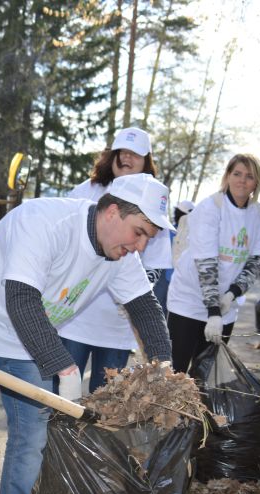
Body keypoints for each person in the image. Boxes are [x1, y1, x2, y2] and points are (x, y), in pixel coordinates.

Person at [0, 173, 174, 494]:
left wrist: (164, 373)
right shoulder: (46, 222)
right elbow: (22, 299)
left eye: (147, 239)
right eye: (138, 232)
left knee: (31, 443)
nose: (139, 246)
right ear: (111, 212)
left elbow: (147, 311)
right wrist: (65, 368)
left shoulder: (120, 256)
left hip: (28, 338)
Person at [56, 127, 173, 393]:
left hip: (116, 326)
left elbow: (155, 266)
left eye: (135, 154)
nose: (126, 159)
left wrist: (130, 298)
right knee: (62, 400)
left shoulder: (153, 204)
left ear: (147, 161)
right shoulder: (85, 191)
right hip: (76, 319)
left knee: (105, 402)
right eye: (122, 152)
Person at [166, 154, 260, 373]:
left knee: (205, 374)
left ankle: (195, 409)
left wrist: (232, 293)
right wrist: (213, 312)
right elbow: (206, 264)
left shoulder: (258, 213)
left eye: (249, 176)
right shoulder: (211, 207)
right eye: (237, 174)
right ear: (227, 176)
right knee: (175, 373)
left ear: (256, 183)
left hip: (225, 305)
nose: (242, 180)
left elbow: (256, 260)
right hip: (189, 300)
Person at [154, 199, 195, 313]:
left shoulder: (167, 230)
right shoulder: (193, 235)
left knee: (158, 308)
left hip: (166, 276)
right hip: (176, 278)